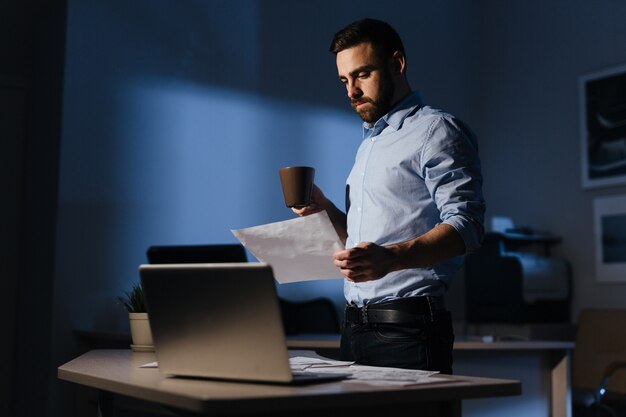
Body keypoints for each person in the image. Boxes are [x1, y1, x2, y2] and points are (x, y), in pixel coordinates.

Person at [293, 18, 485, 373]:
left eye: (362, 75)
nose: (351, 91)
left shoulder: (436, 130)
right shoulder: (371, 143)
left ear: (397, 64)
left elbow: (468, 226)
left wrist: (392, 259)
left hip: (407, 331)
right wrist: (325, 210)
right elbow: (365, 243)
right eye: (344, 80)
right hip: (353, 328)